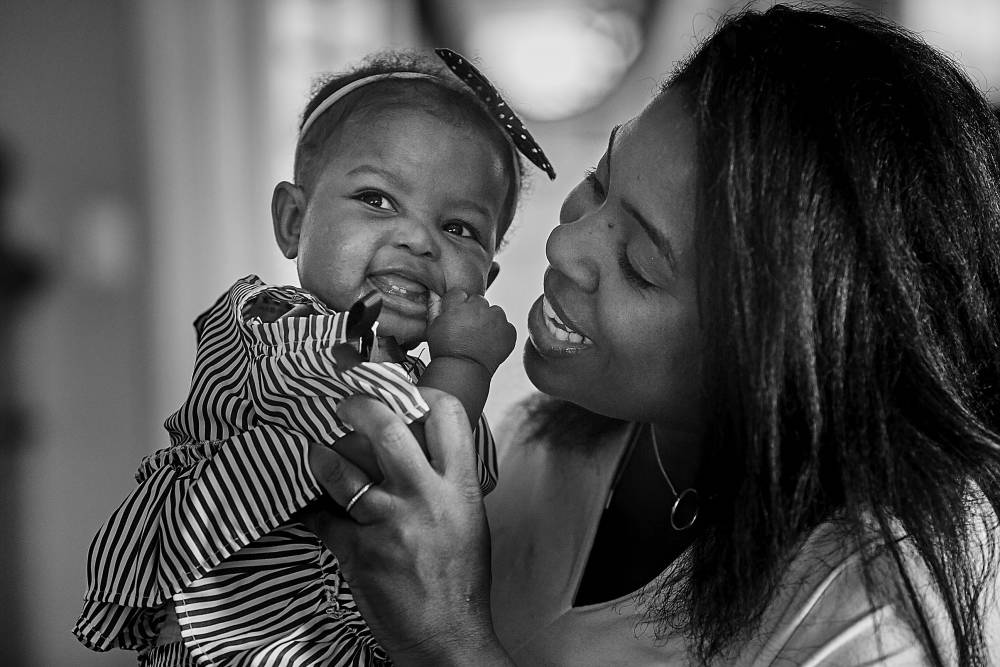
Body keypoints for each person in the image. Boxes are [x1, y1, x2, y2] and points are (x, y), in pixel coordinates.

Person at [304, 5, 1000, 666]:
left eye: (639, 265)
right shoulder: (539, 445)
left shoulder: (875, 609)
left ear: (769, 351)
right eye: (598, 181)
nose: (565, 244)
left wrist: (447, 638)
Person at [73, 48, 555, 666]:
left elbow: (456, 487)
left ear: (483, 279)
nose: (419, 240)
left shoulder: (407, 375)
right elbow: (390, 447)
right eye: (378, 199)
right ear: (294, 221)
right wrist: (463, 365)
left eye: (459, 227)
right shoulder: (274, 324)